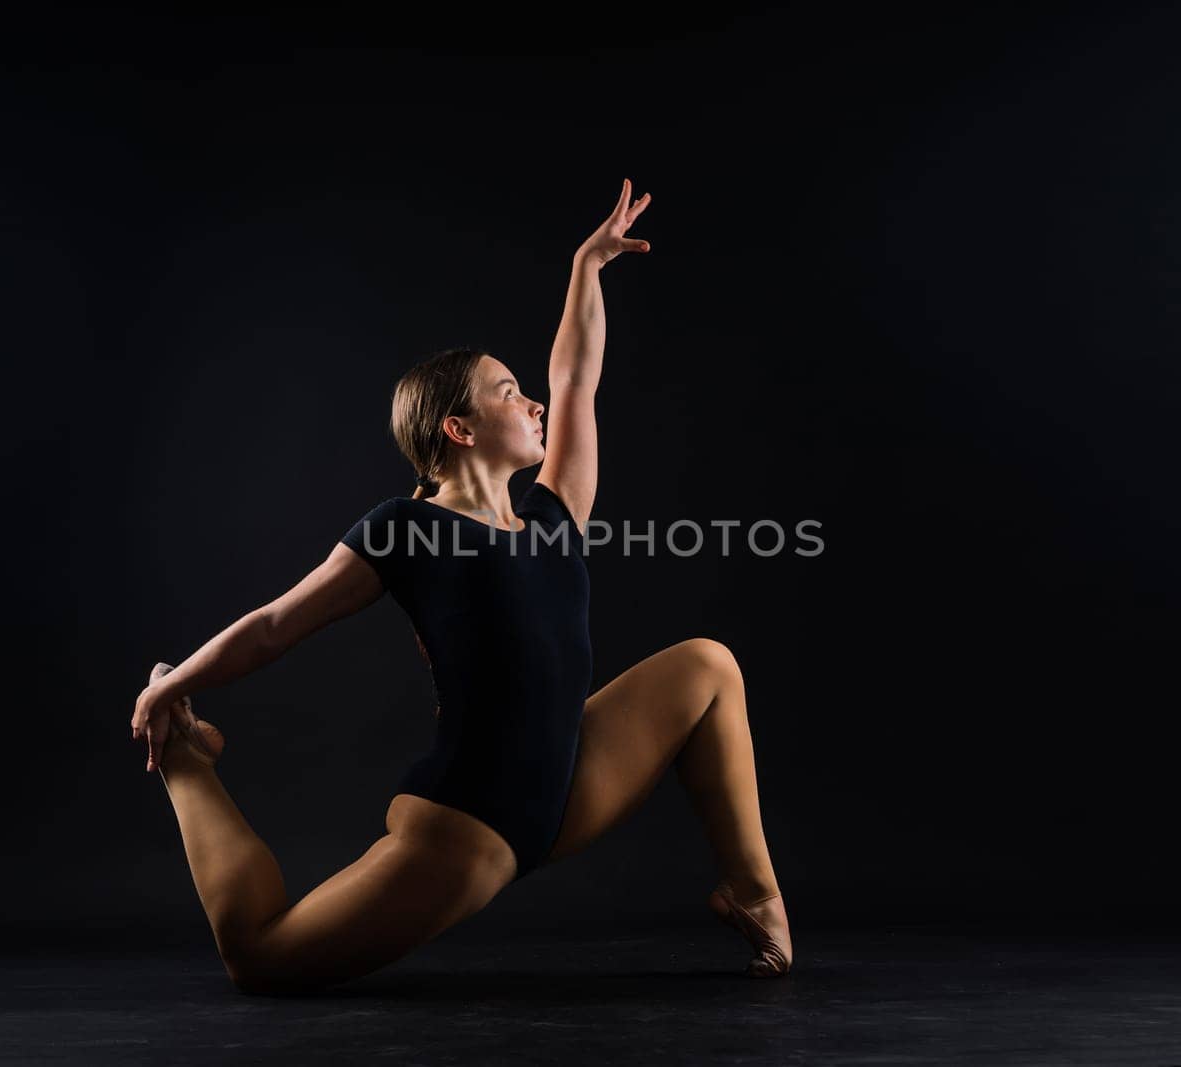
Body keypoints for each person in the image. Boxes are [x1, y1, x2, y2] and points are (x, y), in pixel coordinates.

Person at [130, 179, 792, 993]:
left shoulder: (553, 518)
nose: (535, 400)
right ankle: (189, 764)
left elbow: (577, 376)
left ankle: (755, 895)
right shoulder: (406, 530)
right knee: (263, 959)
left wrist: (588, 267)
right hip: (471, 823)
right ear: (460, 427)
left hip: (569, 782)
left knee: (709, 665)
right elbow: (275, 623)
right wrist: (175, 685)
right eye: (510, 392)